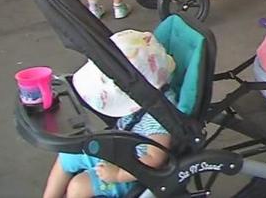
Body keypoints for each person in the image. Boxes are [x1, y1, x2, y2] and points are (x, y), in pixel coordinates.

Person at [42, 29, 175, 198]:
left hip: (131, 168)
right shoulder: (145, 95)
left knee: (79, 186)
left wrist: (118, 174)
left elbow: (155, 158)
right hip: (117, 147)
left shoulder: (160, 115)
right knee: (67, 155)